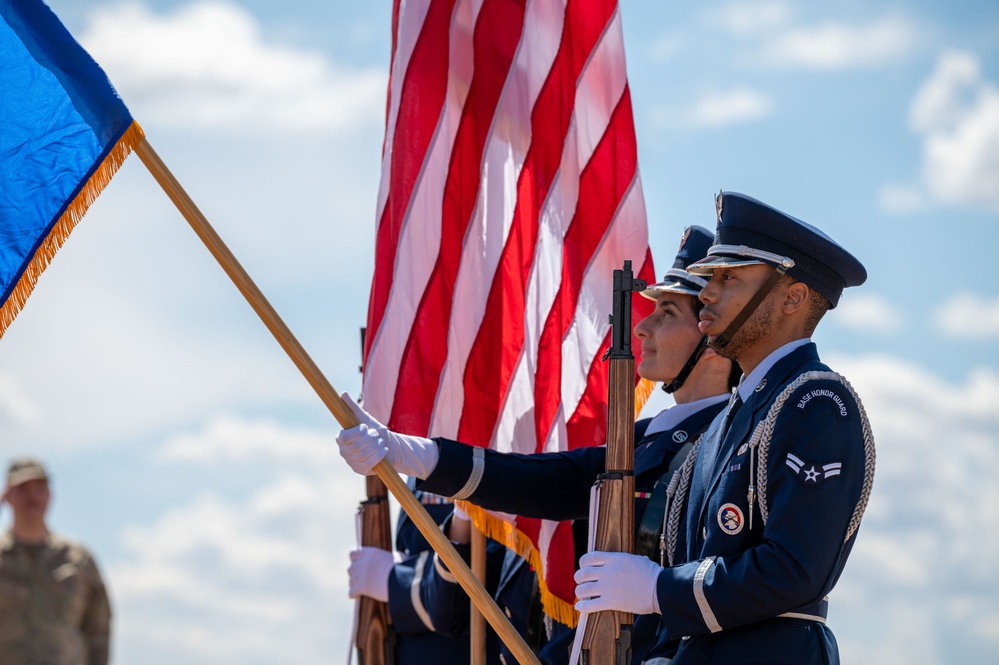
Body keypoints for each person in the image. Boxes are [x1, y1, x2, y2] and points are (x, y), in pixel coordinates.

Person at [337, 225, 739, 664]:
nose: (641, 328)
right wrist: (407, 452)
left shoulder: (728, 442)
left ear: (715, 339)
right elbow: (545, 479)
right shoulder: (650, 439)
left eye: (666, 313)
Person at [572, 191, 876, 664]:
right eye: (710, 276)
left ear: (793, 297)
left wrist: (657, 589)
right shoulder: (727, 422)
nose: (708, 292)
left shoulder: (816, 403)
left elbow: (793, 569)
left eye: (728, 277)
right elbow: (692, 564)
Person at [0, 457, 112, 665]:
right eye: (23, 489)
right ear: (7, 496)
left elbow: (98, 630)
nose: (32, 497)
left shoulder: (79, 561)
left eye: (39, 488)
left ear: (50, 495)